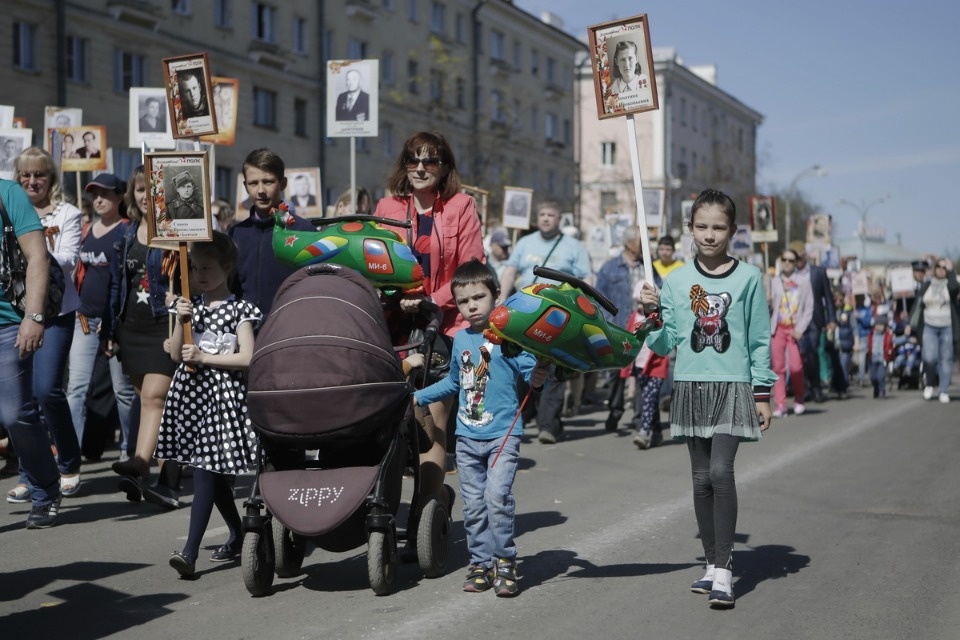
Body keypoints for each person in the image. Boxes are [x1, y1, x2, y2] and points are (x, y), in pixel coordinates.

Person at [638, 187, 776, 609]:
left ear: (733, 230)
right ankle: (712, 564)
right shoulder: (676, 280)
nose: (710, 235)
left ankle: (725, 569)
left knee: (720, 472)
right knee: (700, 479)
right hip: (691, 386)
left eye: (719, 227)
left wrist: (763, 392)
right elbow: (664, 344)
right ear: (690, 229)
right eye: (702, 226)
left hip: (734, 386)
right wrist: (652, 313)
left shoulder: (750, 277)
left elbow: (757, 339)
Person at [412, 260, 547, 597]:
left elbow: (532, 375)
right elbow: (455, 384)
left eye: (478, 297)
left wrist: (540, 374)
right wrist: (417, 396)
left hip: (503, 435)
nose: (471, 305)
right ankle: (481, 564)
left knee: (497, 498)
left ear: (496, 297)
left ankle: (505, 562)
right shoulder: (460, 341)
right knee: (473, 506)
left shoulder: (510, 337)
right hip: (468, 439)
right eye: (463, 301)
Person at [374, 130, 485, 520]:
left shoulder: (461, 206)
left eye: (430, 160)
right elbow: (372, 261)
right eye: (413, 159)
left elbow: (471, 273)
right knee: (382, 418)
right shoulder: (387, 206)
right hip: (391, 323)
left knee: (432, 421)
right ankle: (380, 508)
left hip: (444, 324)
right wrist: (393, 295)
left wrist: (429, 300)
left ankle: (424, 514)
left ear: (444, 167)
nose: (421, 168)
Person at [159, 232, 262, 577]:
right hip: (193, 399)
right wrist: (181, 320)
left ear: (227, 268)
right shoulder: (190, 307)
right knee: (212, 476)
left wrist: (204, 356)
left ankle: (189, 552)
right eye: (195, 268)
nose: (200, 274)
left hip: (222, 400)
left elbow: (248, 357)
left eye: (207, 267)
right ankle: (236, 531)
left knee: (205, 471)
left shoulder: (240, 309)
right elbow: (176, 354)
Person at [4, 148, 83, 504]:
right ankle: (32, 472)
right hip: (22, 313)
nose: (33, 182)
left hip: (52, 313)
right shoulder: (15, 207)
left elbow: (63, 258)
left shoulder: (66, 213)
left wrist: (31, 240)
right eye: (26, 175)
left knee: (44, 392)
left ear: (51, 179)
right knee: (22, 404)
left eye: (40, 175)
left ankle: (64, 466)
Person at [108, 166, 182, 506]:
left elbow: (190, 276)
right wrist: (112, 330)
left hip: (162, 325)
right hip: (132, 327)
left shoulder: (174, 231)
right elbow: (116, 285)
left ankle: (139, 465)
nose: (144, 197)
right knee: (152, 404)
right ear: (132, 195)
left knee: (155, 396)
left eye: (150, 190)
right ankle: (167, 482)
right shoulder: (125, 234)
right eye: (139, 190)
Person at [499, 200, 592, 444]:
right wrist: (501, 299)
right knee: (520, 364)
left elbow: (587, 278)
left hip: (559, 316)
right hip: (526, 313)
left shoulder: (574, 247)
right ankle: (522, 415)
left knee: (554, 368)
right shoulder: (524, 242)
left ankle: (548, 424)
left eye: (551, 214)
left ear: (560, 218)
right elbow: (510, 271)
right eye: (542, 214)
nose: (546, 218)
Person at [0, 178, 62, 528]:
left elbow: (37, 255)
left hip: (8, 321)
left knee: (14, 414)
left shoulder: (8, 194)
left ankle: (45, 489)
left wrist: (33, 316)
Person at [65, 174, 137, 463]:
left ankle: (128, 449)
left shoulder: (128, 230)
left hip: (116, 322)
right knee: (76, 388)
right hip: (84, 318)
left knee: (123, 391)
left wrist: (116, 325)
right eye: (94, 194)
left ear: (120, 197)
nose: (98, 199)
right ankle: (70, 454)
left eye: (105, 194)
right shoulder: (85, 230)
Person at [229, 148, 315, 316]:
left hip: (287, 326)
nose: (261, 190)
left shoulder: (304, 231)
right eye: (253, 183)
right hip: (244, 329)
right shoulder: (236, 233)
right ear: (245, 186)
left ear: (283, 183)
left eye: (268, 182)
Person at [595, 225, 657, 431]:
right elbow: (598, 298)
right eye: (642, 242)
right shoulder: (610, 268)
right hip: (617, 328)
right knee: (615, 375)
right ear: (629, 243)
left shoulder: (648, 267)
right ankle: (615, 411)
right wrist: (605, 324)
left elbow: (659, 289)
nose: (645, 246)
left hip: (641, 329)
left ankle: (640, 417)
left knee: (642, 373)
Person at [621, 281, 669, 449]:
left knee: (648, 398)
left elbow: (665, 339)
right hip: (639, 366)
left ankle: (644, 432)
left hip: (656, 366)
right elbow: (627, 339)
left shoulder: (659, 318)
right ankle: (657, 432)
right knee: (651, 400)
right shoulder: (634, 317)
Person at [769, 248, 813, 418]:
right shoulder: (774, 281)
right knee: (778, 368)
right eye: (784, 260)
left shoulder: (804, 281)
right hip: (778, 328)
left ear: (796, 263)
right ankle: (781, 405)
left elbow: (809, 307)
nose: (787, 263)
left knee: (796, 367)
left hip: (794, 329)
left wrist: (800, 328)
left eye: (791, 260)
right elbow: (769, 304)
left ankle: (799, 399)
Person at [791, 243, 836, 404]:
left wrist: (831, 319)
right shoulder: (790, 274)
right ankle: (806, 387)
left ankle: (816, 388)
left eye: (801, 256)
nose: (798, 260)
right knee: (801, 355)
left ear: (806, 255)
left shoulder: (818, 272)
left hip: (814, 320)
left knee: (812, 353)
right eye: (795, 257)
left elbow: (828, 297)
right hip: (796, 321)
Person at [910, 258, 959, 403]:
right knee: (929, 358)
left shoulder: (950, 285)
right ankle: (930, 383)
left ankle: (944, 390)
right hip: (929, 327)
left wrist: (951, 271)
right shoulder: (927, 285)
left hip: (947, 327)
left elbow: (955, 287)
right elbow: (917, 304)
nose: (941, 269)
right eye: (938, 266)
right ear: (934, 269)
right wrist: (909, 324)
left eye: (944, 268)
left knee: (946, 359)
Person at [866, 314, 894, 399]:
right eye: (877, 325)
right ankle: (876, 388)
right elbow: (867, 344)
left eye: (881, 325)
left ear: (885, 326)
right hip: (873, 359)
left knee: (881, 376)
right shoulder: (871, 335)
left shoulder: (888, 335)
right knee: (873, 377)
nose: (878, 327)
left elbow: (895, 340)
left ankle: (882, 390)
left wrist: (906, 338)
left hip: (883, 359)